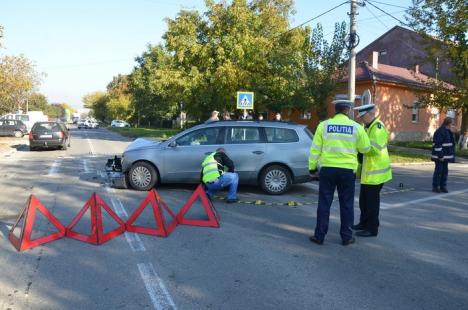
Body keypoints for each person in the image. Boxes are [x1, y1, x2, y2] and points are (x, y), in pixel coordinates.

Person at [308, 100, 371, 246]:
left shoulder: (323, 125)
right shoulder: (357, 127)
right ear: (348, 111)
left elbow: (315, 149)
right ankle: (346, 237)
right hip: (347, 171)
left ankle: (319, 236)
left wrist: (312, 168)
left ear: (335, 110)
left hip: (327, 170)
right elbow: (365, 149)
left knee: (324, 203)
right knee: (347, 205)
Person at [352, 103, 392, 237]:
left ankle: (372, 228)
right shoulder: (368, 127)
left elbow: (374, 150)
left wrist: (359, 147)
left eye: (363, 117)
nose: (361, 119)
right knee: (364, 201)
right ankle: (363, 223)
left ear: (370, 114)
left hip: (376, 174)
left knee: (371, 204)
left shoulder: (378, 128)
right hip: (369, 173)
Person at [431, 117, 456, 193]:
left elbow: (451, 143)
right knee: (439, 171)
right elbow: (437, 145)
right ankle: (435, 187)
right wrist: (440, 156)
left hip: (445, 156)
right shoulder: (440, 131)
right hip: (440, 156)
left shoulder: (448, 131)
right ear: (448, 123)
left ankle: (443, 186)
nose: (453, 125)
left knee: (445, 172)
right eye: (452, 124)